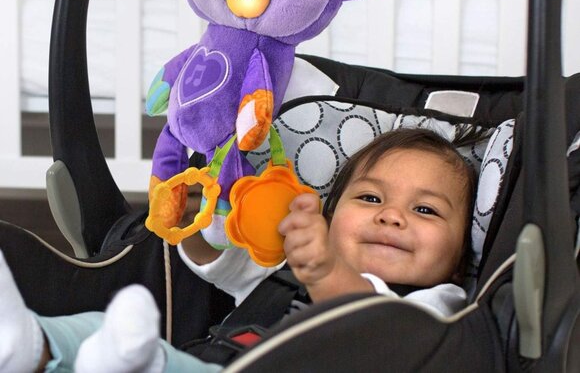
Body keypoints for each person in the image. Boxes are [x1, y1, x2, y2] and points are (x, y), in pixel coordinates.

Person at [0, 127, 476, 372]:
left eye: (426, 210)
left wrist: (325, 272)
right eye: (370, 198)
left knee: (149, 357)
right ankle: (30, 343)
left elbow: (375, 328)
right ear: (330, 221)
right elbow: (218, 264)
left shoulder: (442, 310)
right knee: (102, 329)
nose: (391, 216)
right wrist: (190, 224)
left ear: (460, 259)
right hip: (204, 358)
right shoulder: (286, 271)